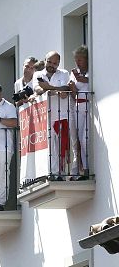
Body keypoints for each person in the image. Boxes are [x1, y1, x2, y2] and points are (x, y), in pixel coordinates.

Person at [34, 51, 72, 179]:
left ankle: (61, 174)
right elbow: (37, 89)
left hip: (62, 115)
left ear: (58, 64)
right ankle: (53, 173)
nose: (51, 65)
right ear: (45, 60)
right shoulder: (38, 74)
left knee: (63, 145)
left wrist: (48, 88)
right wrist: (56, 90)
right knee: (50, 147)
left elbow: (66, 89)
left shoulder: (64, 73)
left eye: (55, 63)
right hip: (45, 116)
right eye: (49, 62)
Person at [68, 46, 90, 179]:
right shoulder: (74, 72)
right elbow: (74, 94)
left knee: (85, 139)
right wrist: (72, 87)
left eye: (80, 60)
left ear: (86, 60)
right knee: (78, 140)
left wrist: (85, 79)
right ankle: (81, 169)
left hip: (88, 106)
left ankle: (87, 168)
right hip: (77, 106)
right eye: (76, 60)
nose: (78, 63)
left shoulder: (92, 70)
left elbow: (89, 82)